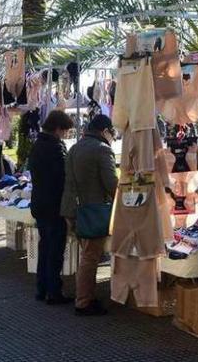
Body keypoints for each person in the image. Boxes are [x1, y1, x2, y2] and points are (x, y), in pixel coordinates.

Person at [61, 115, 118, 316]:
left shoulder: (75, 148)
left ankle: (83, 297)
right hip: (92, 211)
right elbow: (112, 184)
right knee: (90, 257)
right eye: (112, 133)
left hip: (74, 210)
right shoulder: (102, 150)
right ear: (105, 131)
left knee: (85, 255)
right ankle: (84, 301)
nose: (113, 137)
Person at [29, 110, 75, 305]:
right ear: (57, 129)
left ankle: (42, 288)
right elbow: (62, 178)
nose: (65, 135)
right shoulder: (55, 148)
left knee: (45, 247)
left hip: (39, 202)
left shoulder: (37, 145)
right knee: (55, 251)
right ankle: (53, 291)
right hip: (53, 205)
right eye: (65, 131)